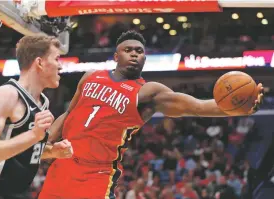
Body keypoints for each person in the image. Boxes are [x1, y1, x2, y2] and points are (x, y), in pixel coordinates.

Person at [39, 30, 264, 199]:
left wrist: (242, 107)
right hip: (62, 165)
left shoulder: (148, 92)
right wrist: (42, 145)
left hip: (96, 174)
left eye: (139, 51)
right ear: (116, 56)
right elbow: (68, 114)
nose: (135, 54)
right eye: (129, 50)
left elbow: (196, 106)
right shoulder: (89, 76)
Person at [0, 35, 73, 199]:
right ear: (40, 63)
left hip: (18, 193)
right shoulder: (6, 95)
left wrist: (51, 151)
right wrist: (33, 135)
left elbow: (20, 150)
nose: (60, 66)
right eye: (57, 59)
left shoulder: (42, 102)